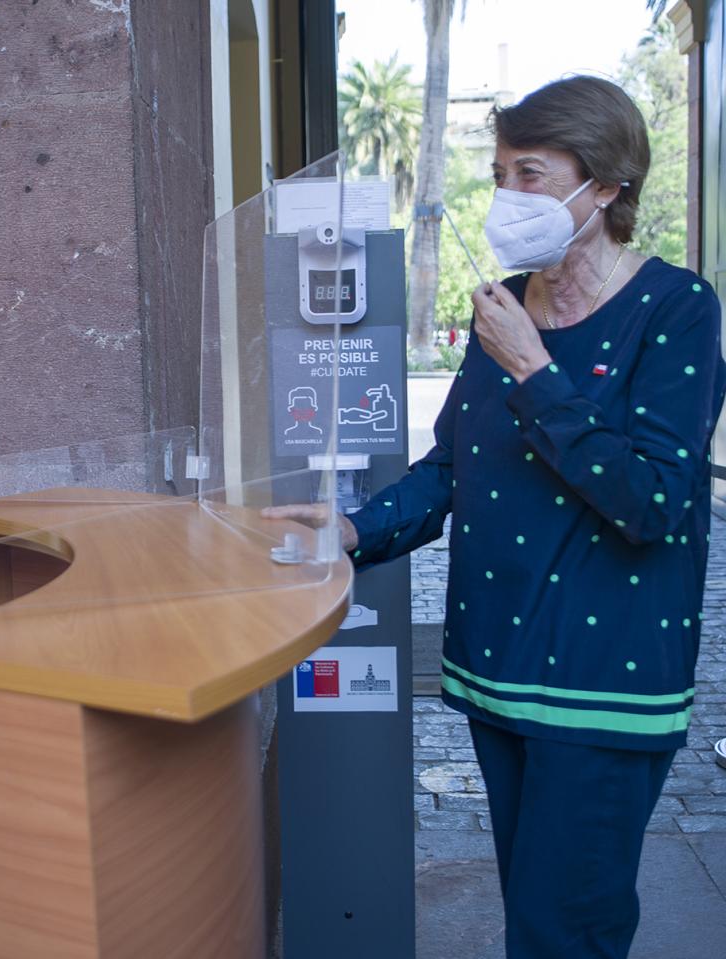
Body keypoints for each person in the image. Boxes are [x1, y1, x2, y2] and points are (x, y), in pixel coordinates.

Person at [266, 75, 725, 959]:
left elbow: (655, 501)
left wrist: (535, 372)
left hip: (606, 683)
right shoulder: (509, 309)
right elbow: (451, 465)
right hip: (498, 671)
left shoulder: (677, 309)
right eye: (501, 171)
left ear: (607, 186)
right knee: (535, 914)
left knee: (566, 931)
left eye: (531, 173)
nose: (506, 196)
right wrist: (349, 531)